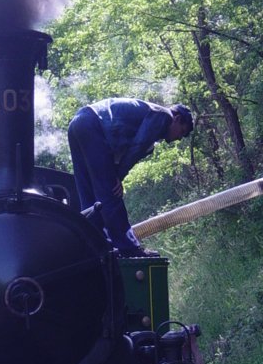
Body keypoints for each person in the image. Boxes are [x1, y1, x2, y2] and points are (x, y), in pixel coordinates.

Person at [68, 98, 193, 257]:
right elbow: (138, 146)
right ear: (177, 118)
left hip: (77, 123)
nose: (178, 138)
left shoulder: (152, 113)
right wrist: (118, 175)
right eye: (181, 132)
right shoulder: (164, 115)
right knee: (110, 193)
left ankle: (97, 247)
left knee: (89, 197)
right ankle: (130, 249)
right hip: (93, 125)